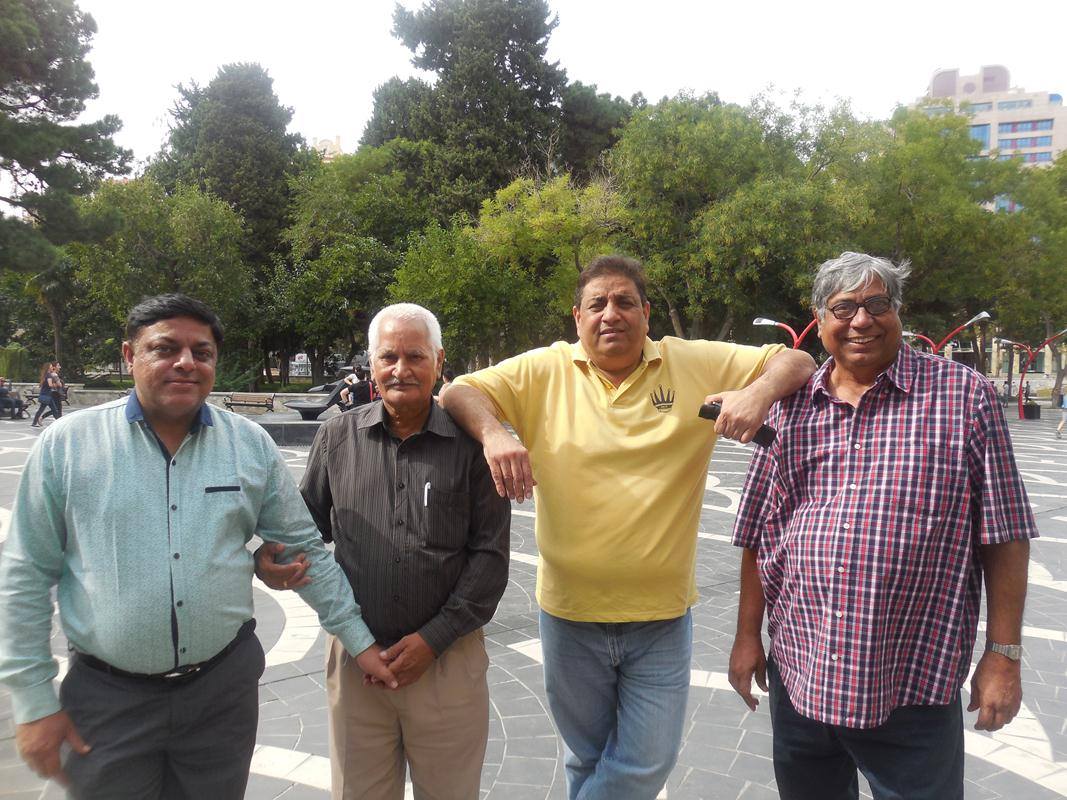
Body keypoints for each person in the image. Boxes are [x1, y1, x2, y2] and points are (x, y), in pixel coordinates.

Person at [438, 255, 816, 799]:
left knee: (644, 764)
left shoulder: (690, 361)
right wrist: (495, 432)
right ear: (577, 317)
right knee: (586, 759)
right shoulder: (545, 370)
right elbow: (458, 391)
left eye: (624, 302)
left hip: (660, 620)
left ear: (646, 313)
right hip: (569, 617)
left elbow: (797, 360)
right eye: (597, 304)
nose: (610, 314)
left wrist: (755, 393)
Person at [0, 293, 397, 799]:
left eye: (202, 352)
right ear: (130, 355)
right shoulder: (68, 445)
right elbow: (25, 575)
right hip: (107, 700)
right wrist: (34, 703)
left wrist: (360, 643)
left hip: (220, 696)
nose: (186, 362)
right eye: (165, 348)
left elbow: (304, 549)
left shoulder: (249, 444)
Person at [728, 252, 1036, 800]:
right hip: (801, 674)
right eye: (844, 308)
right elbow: (760, 531)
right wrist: (747, 636)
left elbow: (1005, 534)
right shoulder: (789, 407)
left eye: (877, 304)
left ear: (898, 311)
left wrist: (1003, 654)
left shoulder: (964, 397)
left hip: (910, 683)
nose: (861, 321)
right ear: (820, 319)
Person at [257, 302, 510, 799]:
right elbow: (306, 528)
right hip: (358, 664)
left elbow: (490, 560)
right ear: (371, 364)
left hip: (447, 662)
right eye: (388, 357)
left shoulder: (472, 447)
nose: (401, 369)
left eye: (415, 356)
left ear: (439, 361)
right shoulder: (336, 437)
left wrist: (432, 640)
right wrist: (270, 561)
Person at [30, 361, 61, 427]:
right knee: (52, 410)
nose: (52, 367)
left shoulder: (45, 375)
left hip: (46, 395)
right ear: (48, 368)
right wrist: (55, 385)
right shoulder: (49, 375)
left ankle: (34, 423)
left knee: (52, 410)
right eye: (51, 367)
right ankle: (59, 423)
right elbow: (50, 385)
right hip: (47, 396)